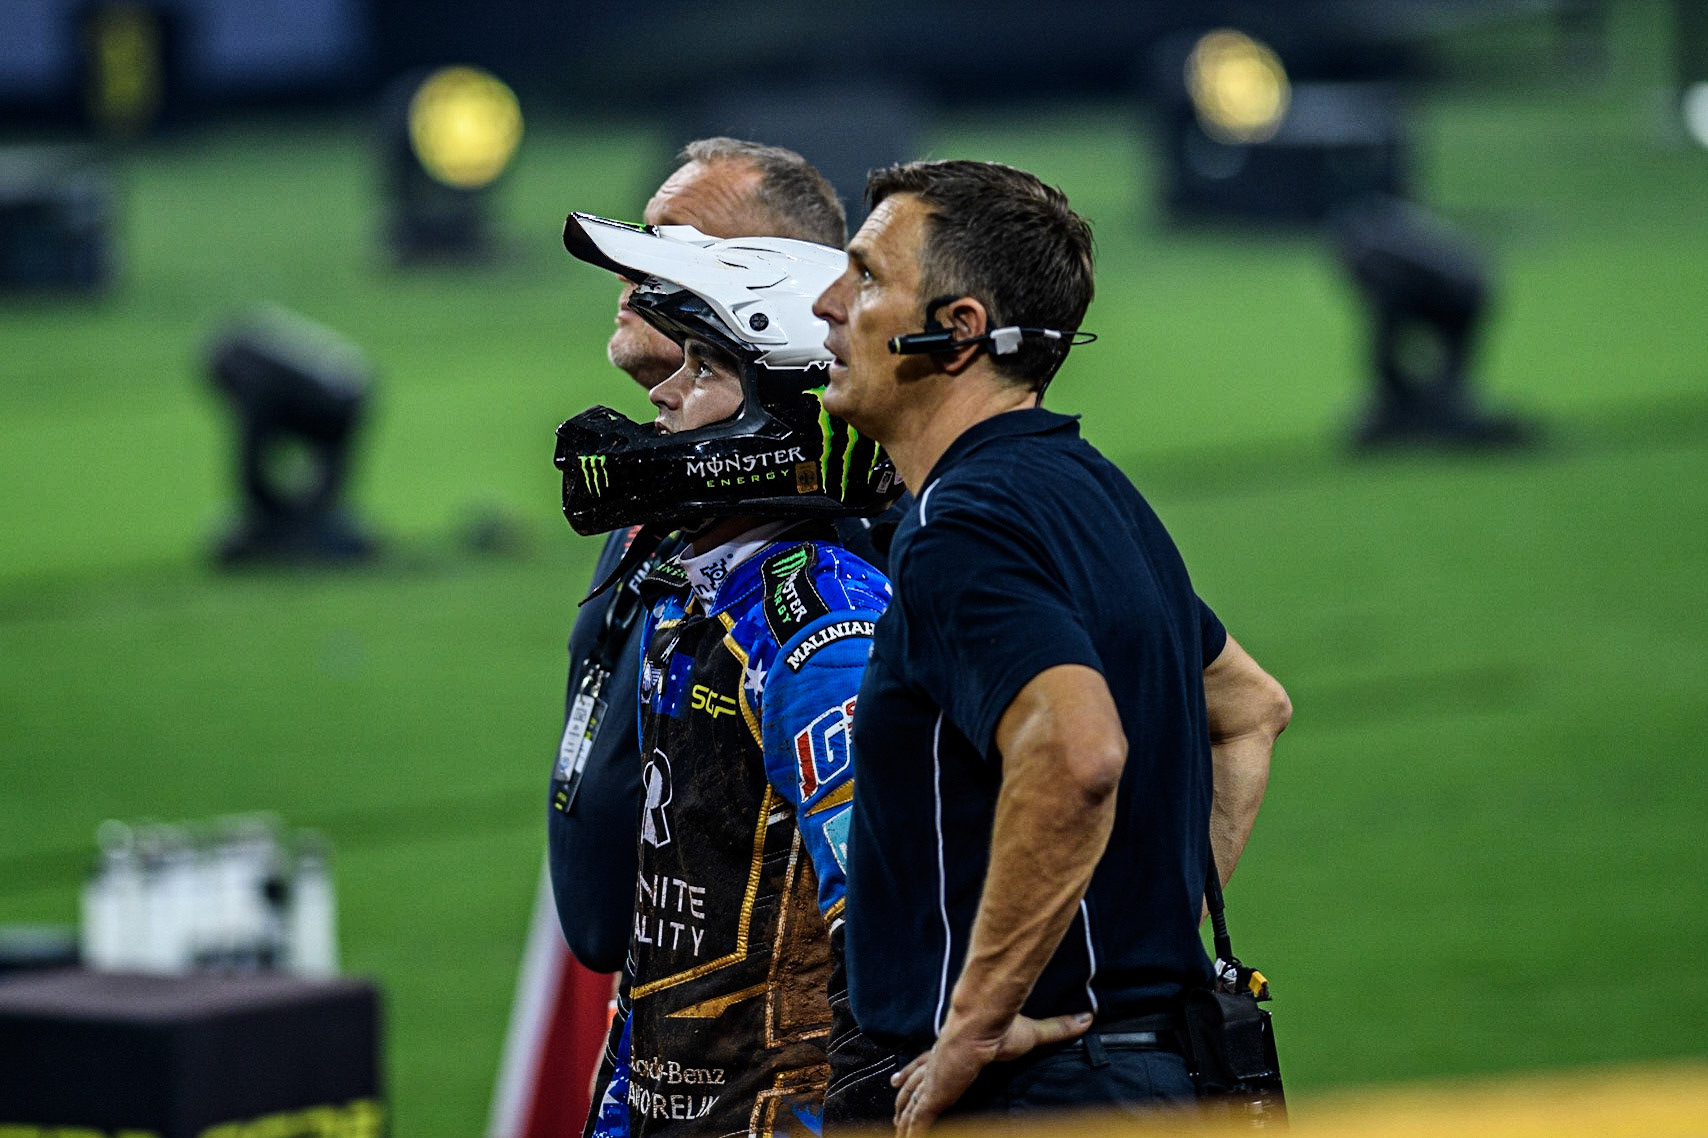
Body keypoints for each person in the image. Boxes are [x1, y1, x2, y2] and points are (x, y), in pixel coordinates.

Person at [811, 159, 1292, 1132]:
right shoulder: (1092, 488)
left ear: (956, 333)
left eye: (864, 277)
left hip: (1042, 1096)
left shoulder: (960, 526)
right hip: (1147, 1073)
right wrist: (1139, 947)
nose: (827, 303)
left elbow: (1076, 752)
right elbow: (1248, 708)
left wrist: (977, 1027)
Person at [555, 212, 897, 1137]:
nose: (664, 396)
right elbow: (663, 954)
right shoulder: (690, 593)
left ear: (783, 410)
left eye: (704, 369)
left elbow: (880, 928)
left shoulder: (824, 625)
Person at [548, 139, 853, 979]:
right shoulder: (668, 498)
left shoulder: (837, 577)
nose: (634, 279)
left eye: (669, 245)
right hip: (671, 1039)